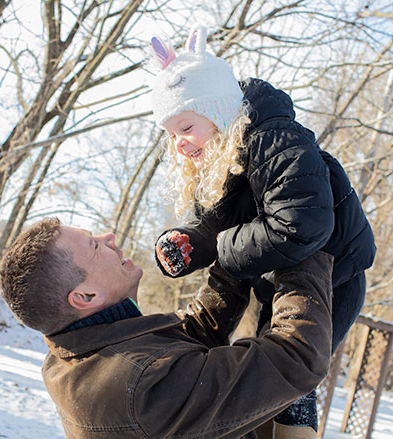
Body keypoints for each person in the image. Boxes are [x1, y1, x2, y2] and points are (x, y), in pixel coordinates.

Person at [150, 26, 376, 438]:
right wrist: (189, 242)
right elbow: (213, 222)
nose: (179, 144)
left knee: (290, 383)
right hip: (279, 281)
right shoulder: (220, 158)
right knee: (265, 386)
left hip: (330, 281)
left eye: (185, 127)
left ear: (217, 109)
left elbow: (301, 224)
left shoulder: (276, 139)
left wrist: (222, 247)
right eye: (170, 135)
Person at [0, 217, 334, 439]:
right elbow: (297, 357)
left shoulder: (82, 352)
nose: (109, 237)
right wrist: (301, 241)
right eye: (95, 246)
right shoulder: (138, 387)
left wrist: (230, 251)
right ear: (86, 296)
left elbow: (191, 341)